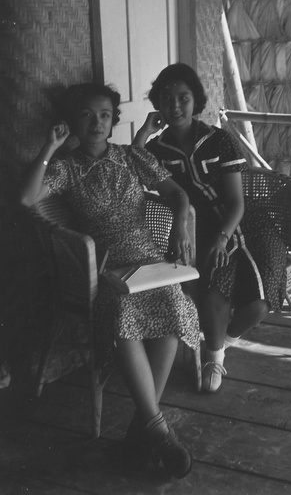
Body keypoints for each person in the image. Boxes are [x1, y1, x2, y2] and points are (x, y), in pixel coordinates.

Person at [20, 83, 200, 479]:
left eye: (104, 115)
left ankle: (144, 428)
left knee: (172, 300)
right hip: (105, 265)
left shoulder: (134, 155)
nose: (97, 123)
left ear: (113, 120)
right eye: (86, 115)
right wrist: (49, 148)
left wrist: (180, 229)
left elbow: (177, 194)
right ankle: (156, 429)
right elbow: (26, 200)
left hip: (148, 258)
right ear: (72, 122)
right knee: (120, 308)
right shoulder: (66, 168)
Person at [134, 63, 287, 394]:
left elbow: (236, 202)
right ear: (157, 104)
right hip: (198, 230)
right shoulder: (156, 151)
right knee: (215, 292)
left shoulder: (219, 140)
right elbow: (133, 171)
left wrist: (222, 238)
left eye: (183, 97)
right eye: (166, 98)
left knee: (259, 304)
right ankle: (213, 357)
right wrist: (143, 134)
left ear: (196, 100)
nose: (175, 106)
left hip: (246, 225)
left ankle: (218, 344)